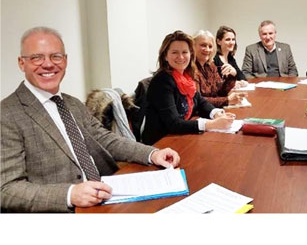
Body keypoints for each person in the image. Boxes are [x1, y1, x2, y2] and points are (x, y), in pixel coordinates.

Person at [1, 27, 181, 213]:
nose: (48, 64)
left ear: (65, 61)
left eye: (56, 56)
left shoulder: (72, 103)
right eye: (36, 57)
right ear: (21, 63)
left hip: (110, 195)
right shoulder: (6, 114)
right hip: (67, 212)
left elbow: (106, 139)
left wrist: (152, 154)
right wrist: (69, 194)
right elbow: (6, 189)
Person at [141, 30, 236, 145]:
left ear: (191, 54)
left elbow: (200, 102)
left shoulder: (186, 76)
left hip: (180, 137)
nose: (180, 57)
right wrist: (212, 124)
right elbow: (174, 124)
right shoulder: (162, 81)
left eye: (185, 52)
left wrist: (216, 113)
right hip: (161, 143)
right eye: (175, 52)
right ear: (165, 55)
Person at [192, 29, 248, 108]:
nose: (207, 49)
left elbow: (220, 91)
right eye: (203, 45)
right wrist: (226, 100)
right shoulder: (191, 69)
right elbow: (197, 100)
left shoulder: (210, 65)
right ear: (193, 46)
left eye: (210, 46)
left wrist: (231, 76)